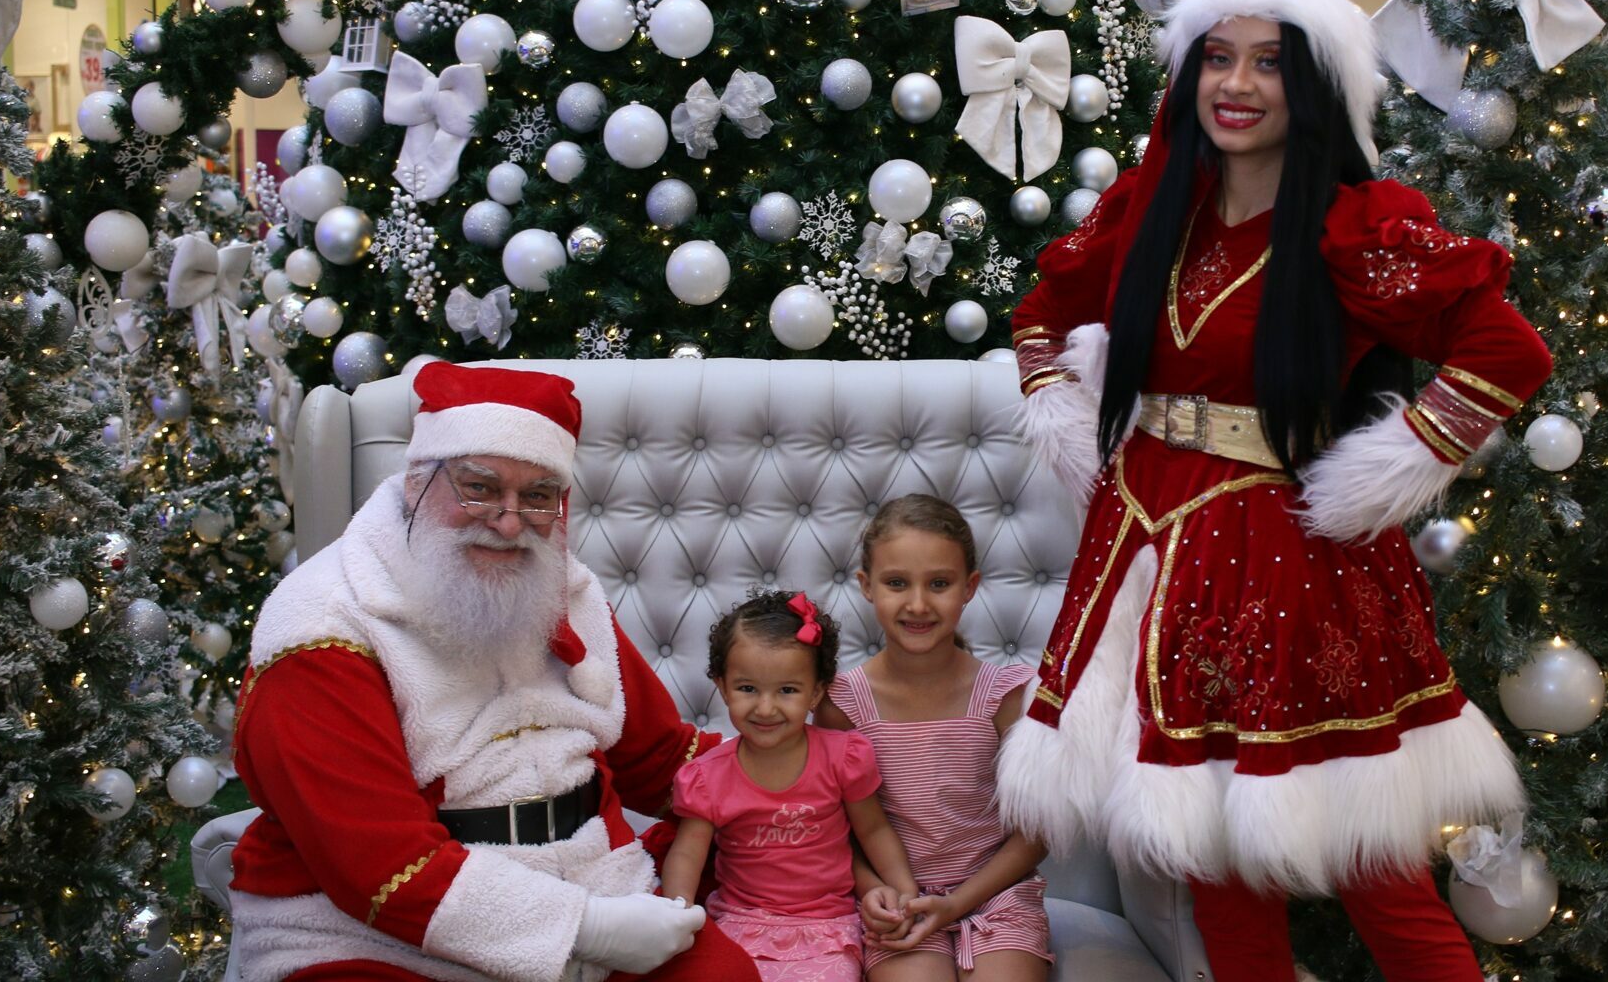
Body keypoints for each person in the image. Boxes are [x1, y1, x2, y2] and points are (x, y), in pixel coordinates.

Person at [999, 0, 1554, 981]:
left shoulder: (1353, 226)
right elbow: (1040, 314)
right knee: (1215, 862)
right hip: (1147, 552)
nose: (1237, 84)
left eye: (1268, 62)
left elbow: (1509, 351)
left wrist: (1389, 466)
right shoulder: (1154, 210)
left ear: (1312, 85)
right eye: (1218, 57)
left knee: (1377, 867)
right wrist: (1063, 414)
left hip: (1289, 567)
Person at [230, 361, 757, 982]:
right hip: (374, 932)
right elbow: (373, 863)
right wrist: (587, 929)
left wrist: (804, 772)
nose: (509, 523)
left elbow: (659, 757)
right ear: (417, 483)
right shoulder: (323, 627)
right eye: (479, 487)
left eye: (537, 497)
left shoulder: (556, 590)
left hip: (599, 881)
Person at [821, 495, 1052, 982]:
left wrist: (956, 903)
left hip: (996, 897)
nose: (918, 604)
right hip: (898, 902)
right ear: (866, 586)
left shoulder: (1006, 696)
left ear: (970, 587)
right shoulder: (842, 705)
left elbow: (1037, 833)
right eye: (897, 583)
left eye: (939, 584)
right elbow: (831, 827)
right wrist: (871, 890)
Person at [661, 590, 918, 981]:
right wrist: (676, 919)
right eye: (747, 689)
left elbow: (874, 830)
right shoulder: (707, 777)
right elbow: (686, 855)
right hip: (740, 923)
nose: (766, 708)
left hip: (827, 925)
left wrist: (904, 893)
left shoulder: (841, 757)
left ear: (816, 692)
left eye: (787, 690)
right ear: (722, 686)